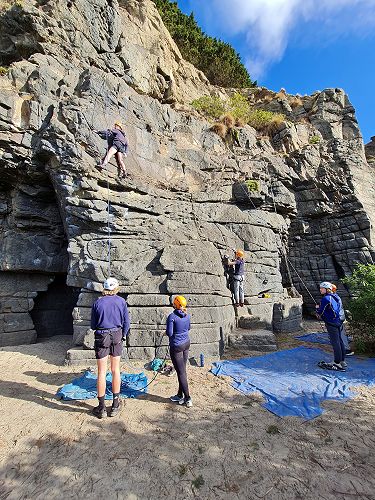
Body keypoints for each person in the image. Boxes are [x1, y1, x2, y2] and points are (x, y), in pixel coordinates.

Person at [90, 277, 130, 418]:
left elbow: (93, 325)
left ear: (105, 288)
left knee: (101, 372)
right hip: (117, 335)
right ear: (116, 288)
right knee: (115, 370)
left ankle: (101, 408)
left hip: (102, 335)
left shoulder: (97, 303)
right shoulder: (121, 302)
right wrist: (123, 335)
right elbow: (126, 322)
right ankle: (115, 405)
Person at [166, 295, 192, 408]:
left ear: (175, 304)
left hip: (176, 346)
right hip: (186, 343)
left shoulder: (172, 317)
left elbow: (170, 333)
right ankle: (179, 394)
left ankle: (187, 398)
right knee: (182, 370)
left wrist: (165, 332)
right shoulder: (187, 315)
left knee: (181, 372)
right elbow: (189, 328)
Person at [316, 281, 346, 371]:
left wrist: (317, 308)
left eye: (322, 288)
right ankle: (342, 361)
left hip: (331, 323)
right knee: (340, 341)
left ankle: (337, 363)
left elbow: (320, 312)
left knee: (335, 342)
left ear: (326, 289)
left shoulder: (326, 299)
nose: (320, 289)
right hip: (339, 321)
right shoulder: (336, 297)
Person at [331, 283, 354, 356]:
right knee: (340, 333)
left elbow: (333, 310)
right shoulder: (335, 296)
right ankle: (345, 347)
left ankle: (347, 349)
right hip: (340, 317)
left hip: (338, 318)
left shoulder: (334, 298)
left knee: (341, 334)